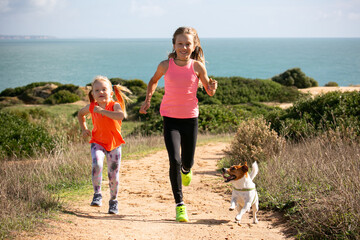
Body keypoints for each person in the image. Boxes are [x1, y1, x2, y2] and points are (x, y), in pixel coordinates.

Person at [139, 26, 218, 222]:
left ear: (194, 46)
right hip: (170, 117)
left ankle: (186, 170)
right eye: (180, 43)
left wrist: (212, 88)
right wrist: (148, 99)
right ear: (173, 45)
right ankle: (180, 205)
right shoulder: (165, 65)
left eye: (187, 44)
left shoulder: (198, 67)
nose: (184, 47)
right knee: (174, 159)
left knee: (187, 162)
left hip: (190, 118)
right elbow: (153, 80)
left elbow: (209, 90)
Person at [78, 75, 131, 214]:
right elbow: (80, 114)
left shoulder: (114, 105)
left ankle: (113, 201)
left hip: (114, 144)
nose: (101, 92)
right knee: (97, 164)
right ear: (93, 94)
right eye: (97, 90)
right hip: (97, 142)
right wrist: (84, 129)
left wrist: (102, 111)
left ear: (111, 93)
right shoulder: (91, 106)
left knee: (113, 175)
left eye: (104, 89)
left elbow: (120, 116)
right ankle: (97, 194)